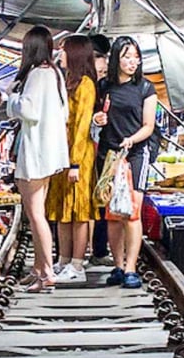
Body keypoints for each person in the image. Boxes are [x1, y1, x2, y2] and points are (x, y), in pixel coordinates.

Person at [93, 36, 158, 289]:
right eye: (126, 57)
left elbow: (149, 126)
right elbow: (96, 115)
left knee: (132, 210)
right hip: (109, 155)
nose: (132, 62)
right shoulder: (103, 86)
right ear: (116, 59)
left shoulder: (145, 88)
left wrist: (132, 140)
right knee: (112, 214)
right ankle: (117, 265)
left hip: (135, 153)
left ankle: (131, 267)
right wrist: (98, 117)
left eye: (135, 57)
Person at [8, 26, 69, 291]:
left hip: (35, 152)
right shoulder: (54, 73)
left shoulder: (36, 74)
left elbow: (28, 111)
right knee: (38, 213)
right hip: (49, 152)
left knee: (36, 215)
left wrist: (12, 97)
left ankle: (46, 272)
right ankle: (37, 268)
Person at [48, 35, 98, 284]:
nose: (60, 55)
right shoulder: (67, 80)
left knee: (78, 211)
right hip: (61, 153)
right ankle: (63, 260)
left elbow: (81, 125)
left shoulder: (86, 84)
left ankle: (77, 265)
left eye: (64, 50)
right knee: (61, 209)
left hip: (77, 155)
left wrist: (75, 162)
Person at [87, 35, 114, 269]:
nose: (103, 63)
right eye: (98, 58)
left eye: (104, 58)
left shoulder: (106, 85)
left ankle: (99, 249)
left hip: (102, 151)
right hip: (77, 153)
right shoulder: (74, 83)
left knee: (101, 200)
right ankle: (67, 256)